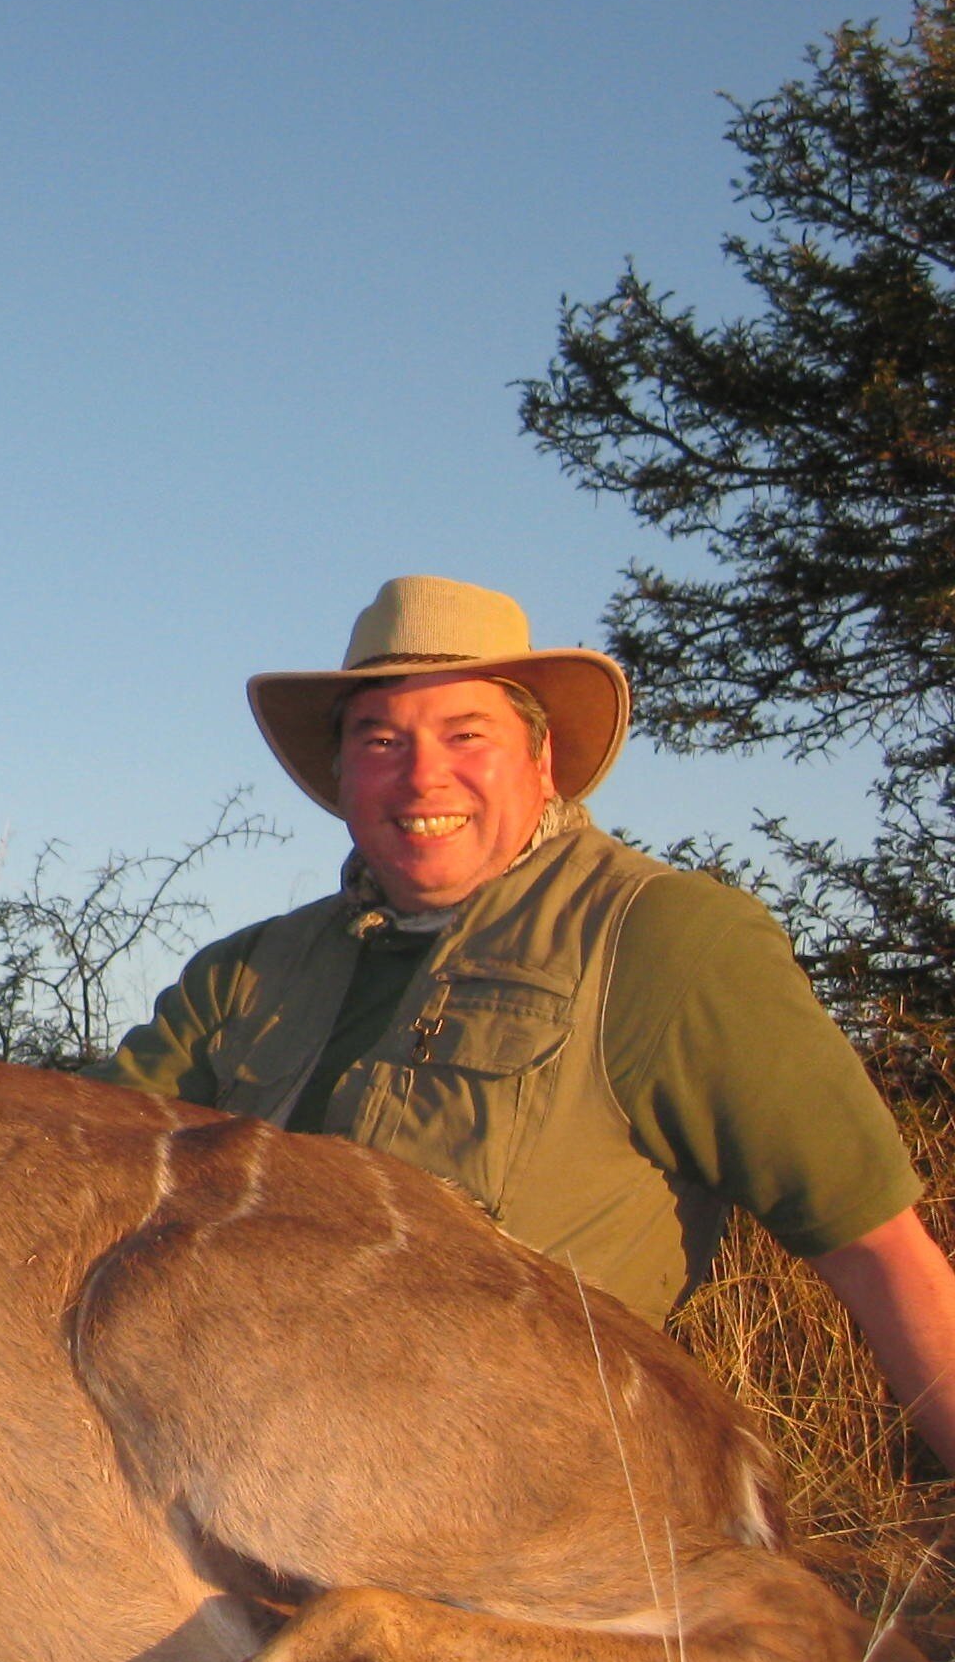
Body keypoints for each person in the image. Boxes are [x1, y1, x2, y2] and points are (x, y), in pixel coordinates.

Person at [102, 574, 955, 1465]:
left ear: (540, 762)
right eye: (382, 739)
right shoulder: (243, 972)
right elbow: (71, 1167)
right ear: (343, 773)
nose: (422, 773)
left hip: (505, 1478)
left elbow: (877, 1248)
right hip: (204, 1444)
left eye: (466, 734)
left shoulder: (665, 938)